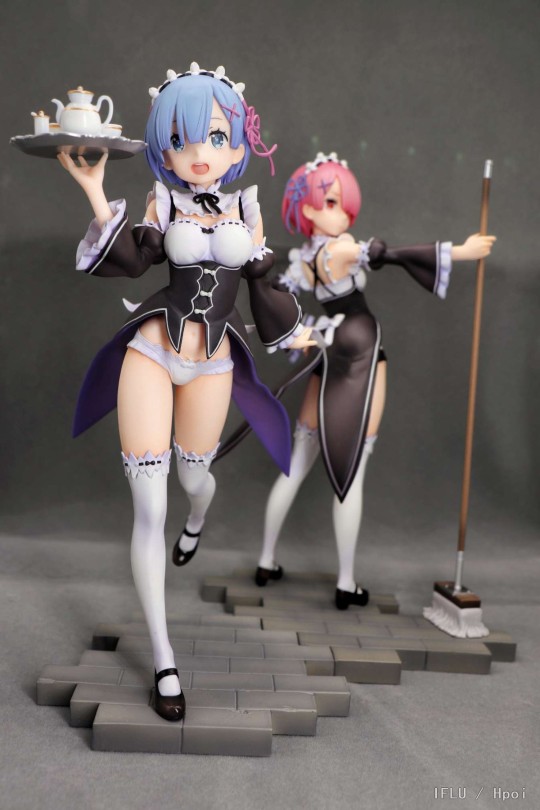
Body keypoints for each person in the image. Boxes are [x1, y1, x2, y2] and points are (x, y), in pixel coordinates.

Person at [57, 63, 313, 721]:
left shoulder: (247, 207)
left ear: (239, 143)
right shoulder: (162, 202)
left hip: (214, 362)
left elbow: (266, 288)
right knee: (149, 506)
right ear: (162, 148)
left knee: (195, 479)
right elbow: (132, 259)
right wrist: (95, 190)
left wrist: (295, 323)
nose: (200, 153)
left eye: (217, 137)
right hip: (152, 352)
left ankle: (197, 517)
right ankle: (164, 660)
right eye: (181, 139)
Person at [251, 152, 495, 610]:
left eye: (343, 204)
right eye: (330, 203)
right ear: (307, 210)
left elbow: (279, 295)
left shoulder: (305, 261)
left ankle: (266, 560)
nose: (342, 214)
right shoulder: (340, 250)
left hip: (328, 349)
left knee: (299, 459)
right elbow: (392, 256)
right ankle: (345, 582)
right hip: (360, 349)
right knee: (354, 465)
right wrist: (462, 251)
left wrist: (295, 330)